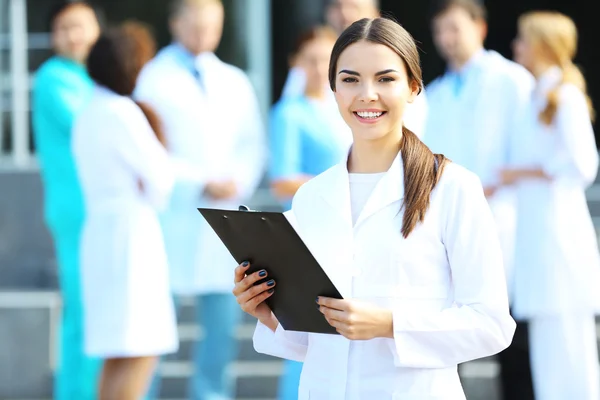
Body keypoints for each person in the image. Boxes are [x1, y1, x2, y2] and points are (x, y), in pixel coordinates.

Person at [233, 17, 516, 399]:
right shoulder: (312, 197)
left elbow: (491, 324)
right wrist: (268, 313)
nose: (367, 94)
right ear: (332, 88)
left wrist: (390, 325)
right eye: (350, 80)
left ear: (414, 88)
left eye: (385, 79)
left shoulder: (454, 188)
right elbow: (313, 341)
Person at [134, 0, 266, 398]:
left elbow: (253, 143)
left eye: (213, 24)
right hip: (174, 212)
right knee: (153, 328)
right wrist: (198, 181)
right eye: (196, 23)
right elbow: (147, 147)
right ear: (176, 22)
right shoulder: (152, 79)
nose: (205, 31)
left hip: (224, 216)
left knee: (222, 324)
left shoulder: (234, 80)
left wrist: (236, 180)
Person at [73, 21, 205, 400]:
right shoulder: (121, 112)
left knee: (116, 351)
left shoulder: (90, 111)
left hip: (101, 231)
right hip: (131, 235)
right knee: (141, 345)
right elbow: (161, 178)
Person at [421, 1, 535, 396]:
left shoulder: (511, 80)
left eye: (454, 29)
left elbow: (532, 147)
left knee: (511, 327)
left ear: (480, 28)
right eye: (440, 31)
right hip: (447, 220)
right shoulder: (433, 92)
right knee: (454, 328)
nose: (446, 40)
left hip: (505, 212)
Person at [501, 11, 600, 400]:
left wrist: (521, 173)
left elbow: (583, 163)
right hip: (536, 227)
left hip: (558, 228)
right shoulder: (536, 95)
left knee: (569, 339)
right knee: (546, 338)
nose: (517, 46)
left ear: (541, 45)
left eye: (524, 39)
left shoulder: (566, 96)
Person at [270, 26, 353, 399]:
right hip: (309, 234)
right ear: (296, 64)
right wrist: (337, 183)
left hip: (349, 231)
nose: (321, 68)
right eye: (312, 60)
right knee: (305, 335)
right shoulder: (289, 113)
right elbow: (281, 180)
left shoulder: (346, 109)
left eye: (327, 60)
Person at [31, 2, 101, 398]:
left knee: (93, 314)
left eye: (81, 26)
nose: (74, 35)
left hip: (97, 214)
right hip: (76, 213)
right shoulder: (53, 77)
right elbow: (89, 128)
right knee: (84, 314)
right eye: (64, 28)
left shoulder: (92, 79)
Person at [281, 0, 427, 137]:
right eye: (338, 6)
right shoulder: (310, 67)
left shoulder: (397, 62)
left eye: (384, 79)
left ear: (376, 14)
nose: (345, 14)